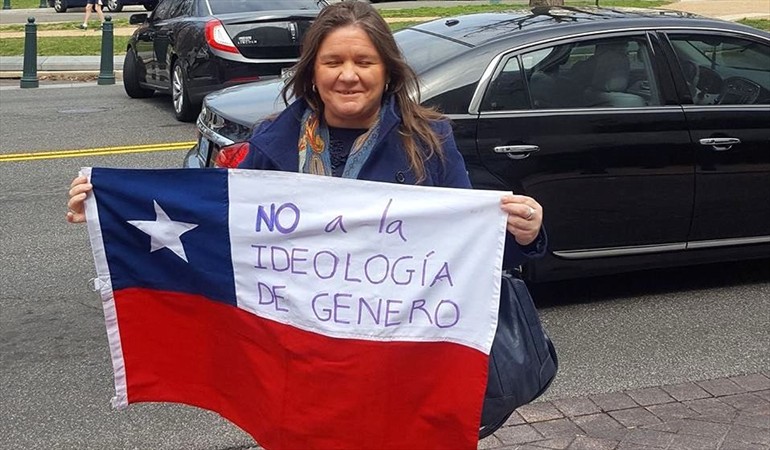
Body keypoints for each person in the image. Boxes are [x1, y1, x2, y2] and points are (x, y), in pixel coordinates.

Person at [67, 0, 545, 267]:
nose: (348, 75)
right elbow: (214, 221)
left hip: (393, 354)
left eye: (364, 62)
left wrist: (523, 235)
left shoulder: (429, 140)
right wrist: (108, 205)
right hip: (301, 353)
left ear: (388, 71)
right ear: (312, 71)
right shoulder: (273, 140)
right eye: (333, 62)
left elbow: (472, 249)